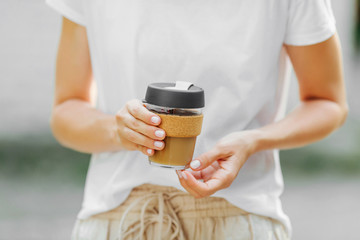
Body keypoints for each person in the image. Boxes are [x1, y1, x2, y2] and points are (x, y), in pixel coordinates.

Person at [47, 0, 348, 239]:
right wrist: (118, 130)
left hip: (238, 219)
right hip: (117, 220)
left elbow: (328, 102)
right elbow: (66, 110)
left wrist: (252, 140)